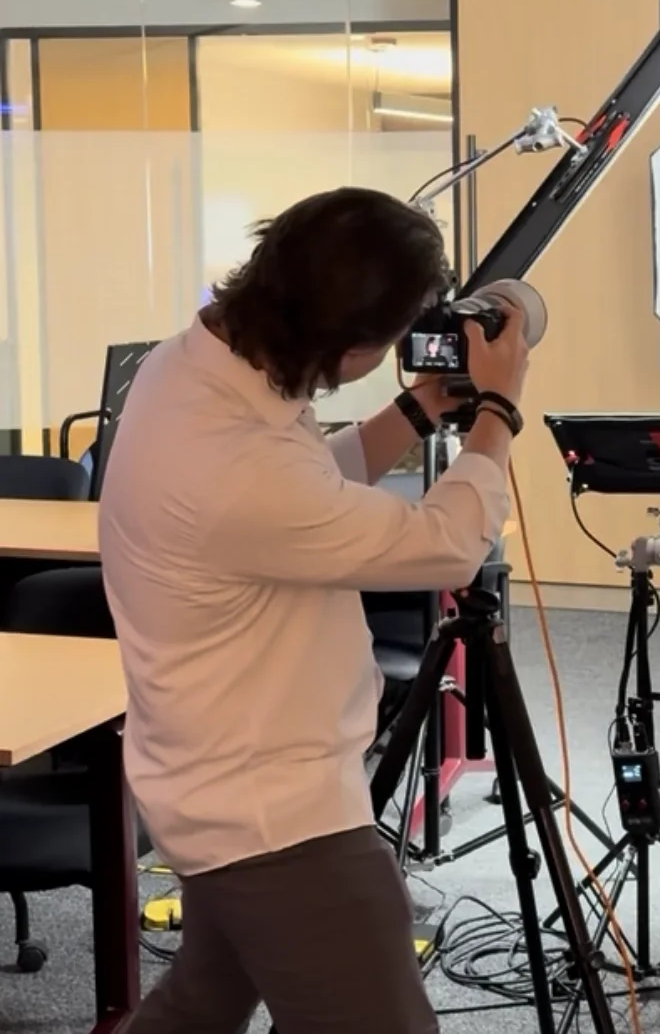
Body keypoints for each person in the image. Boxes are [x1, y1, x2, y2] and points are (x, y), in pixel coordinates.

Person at [101, 186, 531, 1033]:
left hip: (210, 776)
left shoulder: (189, 366)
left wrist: (414, 412)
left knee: (199, 1004)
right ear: (351, 344)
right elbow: (444, 544)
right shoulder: (237, 466)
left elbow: (301, 489)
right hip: (276, 816)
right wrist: (500, 413)